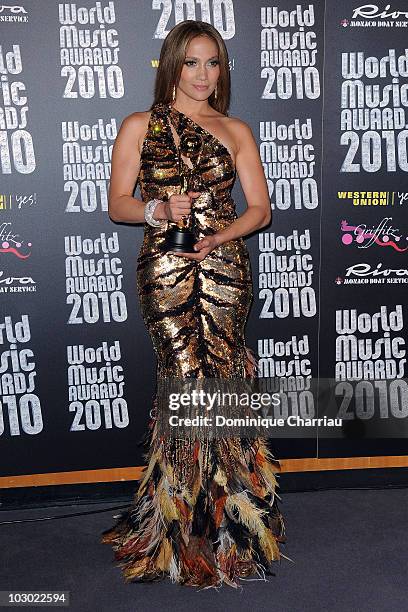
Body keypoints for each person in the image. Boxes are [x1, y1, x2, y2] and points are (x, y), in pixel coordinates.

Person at [101, 20, 286, 589]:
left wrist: (220, 238)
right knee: (184, 379)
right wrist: (158, 209)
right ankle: (179, 527)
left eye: (213, 64)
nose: (204, 75)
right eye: (192, 63)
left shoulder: (235, 130)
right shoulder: (139, 125)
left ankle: (233, 522)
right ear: (172, 65)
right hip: (168, 267)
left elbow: (260, 210)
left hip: (224, 266)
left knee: (225, 379)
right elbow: (117, 204)